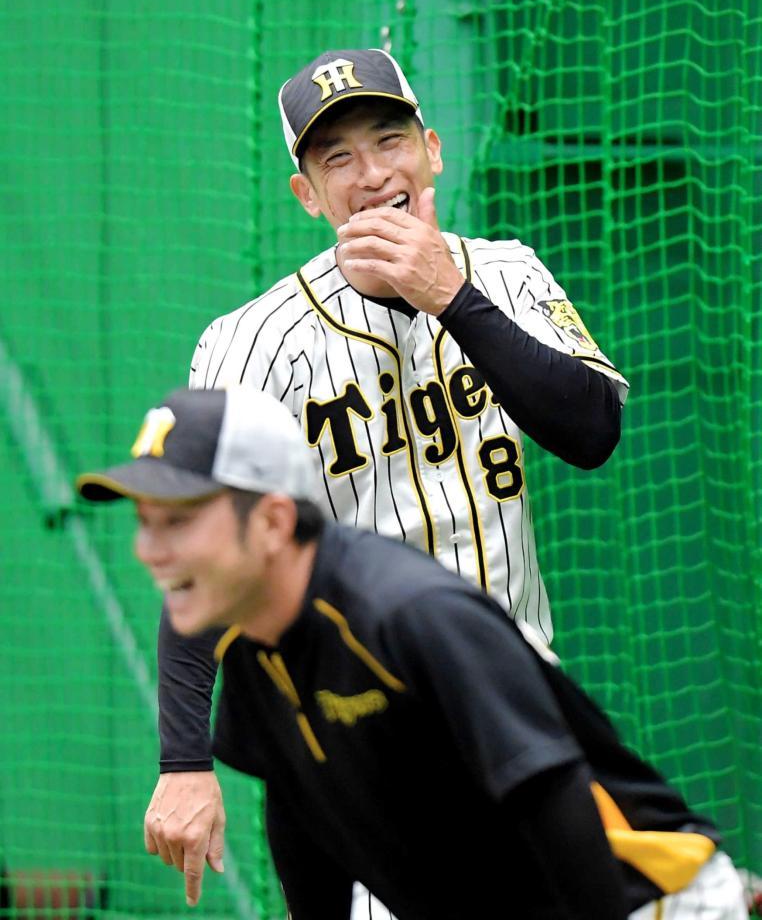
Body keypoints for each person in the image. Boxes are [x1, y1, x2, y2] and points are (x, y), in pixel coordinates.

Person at [151, 48, 631, 906]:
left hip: (526, 710)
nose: (372, 174)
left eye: (389, 139)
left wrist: (452, 295)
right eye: (337, 158)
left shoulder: (508, 275)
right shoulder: (250, 343)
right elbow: (202, 546)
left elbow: (591, 430)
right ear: (308, 195)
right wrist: (185, 759)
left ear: (433, 149)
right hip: (364, 738)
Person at [76, 386, 746, 920]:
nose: (149, 550)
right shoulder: (259, 650)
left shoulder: (409, 613)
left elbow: (553, 795)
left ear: (274, 521)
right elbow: (302, 821)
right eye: (145, 522)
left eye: (180, 520)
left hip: (643, 901)